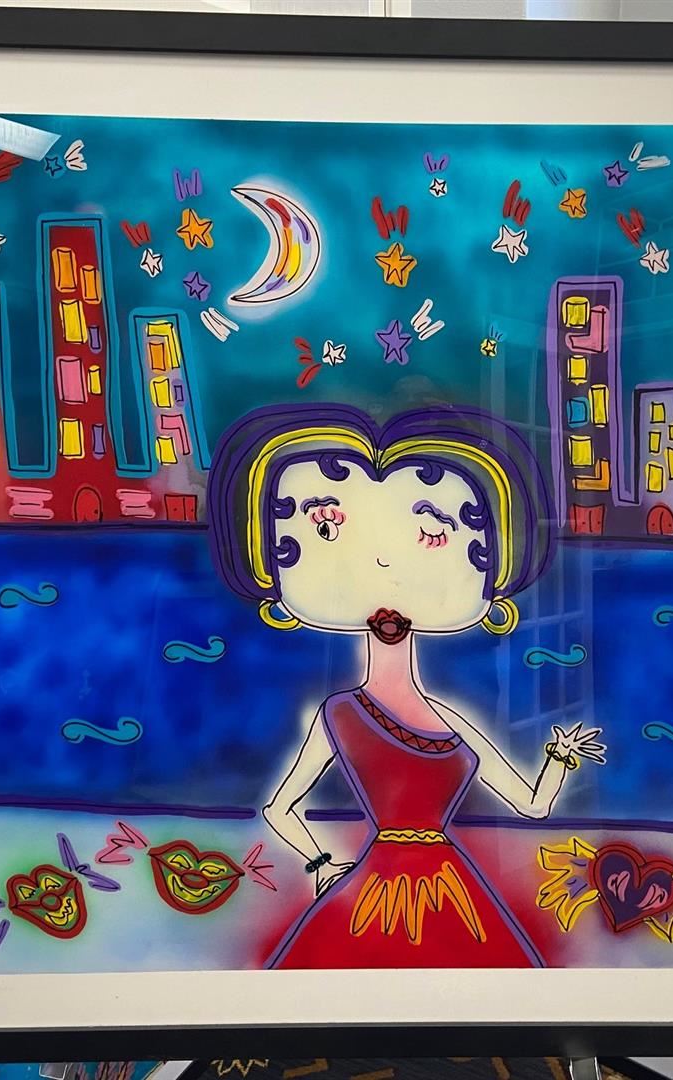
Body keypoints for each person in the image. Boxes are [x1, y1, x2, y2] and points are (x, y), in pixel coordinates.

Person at [208, 403, 605, 968]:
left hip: (449, 895)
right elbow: (280, 808)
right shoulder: (340, 714)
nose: (383, 570)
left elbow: (533, 806)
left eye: (432, 535)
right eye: (330, 532)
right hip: (372, 890)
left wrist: (559, 759)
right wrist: (321, 862)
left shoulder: (450, 722)